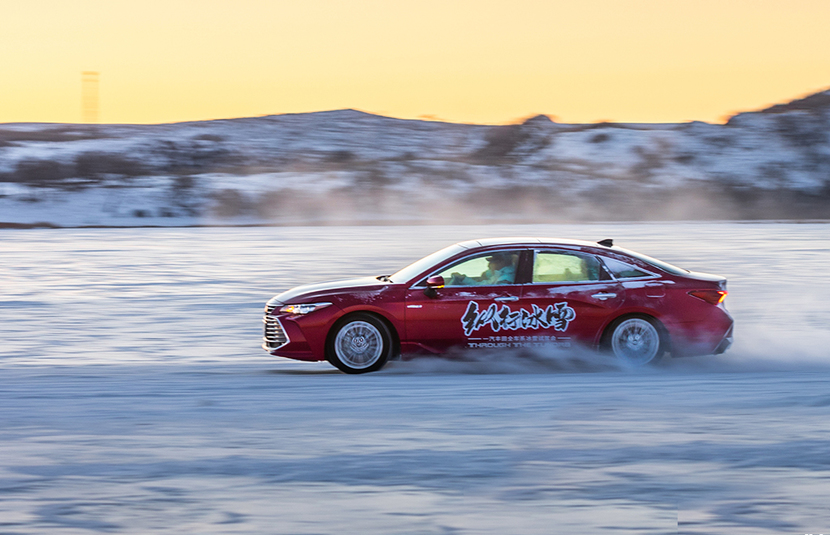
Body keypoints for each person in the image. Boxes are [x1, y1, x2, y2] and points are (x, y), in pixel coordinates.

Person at [449, 254, 516, 286]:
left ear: (501, 262)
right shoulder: (498, 274)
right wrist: (463, 278)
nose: (488, 265)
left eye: (492, 263)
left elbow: (485, 290)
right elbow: (482, 284)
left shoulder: (505, 279)